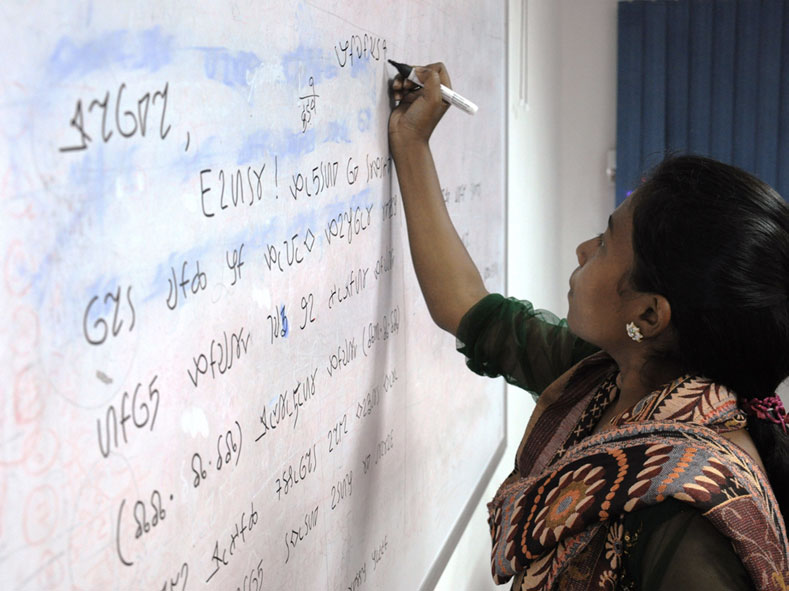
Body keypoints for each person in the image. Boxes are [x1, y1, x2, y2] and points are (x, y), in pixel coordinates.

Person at [389, 63, 789, 590]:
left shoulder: (692, 520)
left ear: (648, 315)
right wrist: (412, 142)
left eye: (604, 241)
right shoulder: (606, 379)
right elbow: (465, 305)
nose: (582, 250)